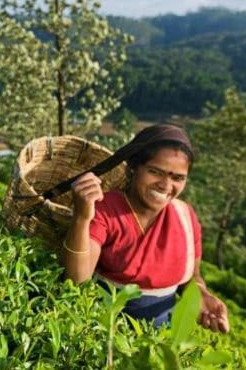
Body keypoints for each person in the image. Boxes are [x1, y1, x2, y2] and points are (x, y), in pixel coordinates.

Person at [62, 124, 229, 332]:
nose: (165, 185)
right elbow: (77, 281)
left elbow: (191, 277)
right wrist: (82, 218)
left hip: (161, 333)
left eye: (177, 178)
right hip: (105, 329)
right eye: (155, 172)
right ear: (133, 167)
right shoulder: (105, 209)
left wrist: (200, 295)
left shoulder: (185, 216)